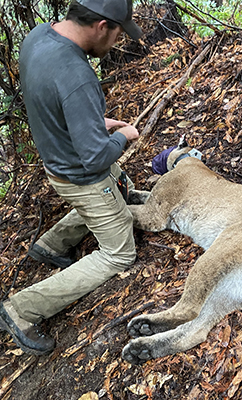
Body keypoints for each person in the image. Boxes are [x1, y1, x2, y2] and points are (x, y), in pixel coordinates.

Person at [0, 0, 142, 355]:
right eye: (119, 33)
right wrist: (123, 137)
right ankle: (22, 309)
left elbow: (49, 99)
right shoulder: (77, 74)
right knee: (119, 254)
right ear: (102, 26)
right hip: (82, 177)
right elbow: (95, 159)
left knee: (121, 187)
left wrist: (93, 125)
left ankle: (50, 246)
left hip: (56, 163)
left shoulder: (37, 38)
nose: (118, 42)